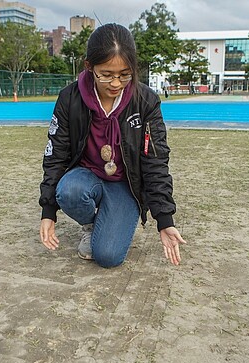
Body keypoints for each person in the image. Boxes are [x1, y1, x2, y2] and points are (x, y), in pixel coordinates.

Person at [39, 23, 186, 268]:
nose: (116, 83)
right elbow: (56, 154)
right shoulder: (69, 99)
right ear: (89, 67)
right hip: (87, 177)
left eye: (124, 74)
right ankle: (90, 224)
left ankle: (108, 220)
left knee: (107, 257)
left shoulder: (146, 102)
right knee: (69, 191)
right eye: (106, 74)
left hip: (125, 185)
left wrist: (164, 218)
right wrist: (48, 211)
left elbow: (156, 161)